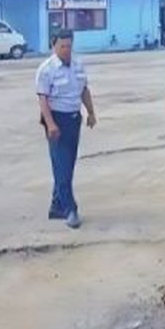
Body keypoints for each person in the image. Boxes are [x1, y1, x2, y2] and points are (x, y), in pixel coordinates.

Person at [35, 29, 97, 229]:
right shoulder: (46, 69)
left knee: (67, 164)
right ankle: (70, 210)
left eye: (69, 46)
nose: (66, 50)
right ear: (54, 46)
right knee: (61, 166)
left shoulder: (78, 65)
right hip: (56, 121)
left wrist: (91, 112)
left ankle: (56, 206)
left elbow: (84, 90)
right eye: (62, 46)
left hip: (73, 119)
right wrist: (51, 124)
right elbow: (43, 99)